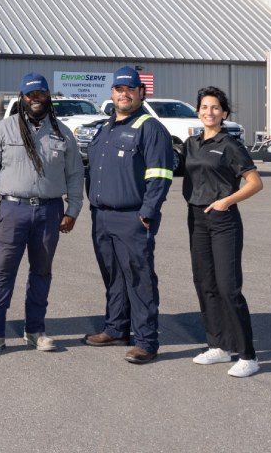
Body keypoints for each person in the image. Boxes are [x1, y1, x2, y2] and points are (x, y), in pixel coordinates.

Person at [0, 72, 84, 357]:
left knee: (41, 273)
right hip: (12, 210)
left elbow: (75, 173)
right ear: (21, 98)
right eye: (30, 95)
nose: (36, 99)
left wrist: (73, 209)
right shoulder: (5, 129)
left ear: (49, 97)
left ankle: (35, 330)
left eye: (41, 94)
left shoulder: (62, 133)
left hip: (49, 211)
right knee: (3, 273)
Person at [84, 66, 173, 364]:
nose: (124, 94)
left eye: (130, 89)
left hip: (133, 217)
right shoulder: (106, 128)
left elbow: (160, 175)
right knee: (114, 277)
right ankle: (116, 328)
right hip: (102, 216)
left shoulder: (150, 128)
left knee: (139, 279)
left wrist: (148, 211)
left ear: (141, 93)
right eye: (119, 89)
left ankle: (146, 341)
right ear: (112, 94)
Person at [182, 86, 263, 378]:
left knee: (229, 288)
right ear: (198, 111)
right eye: (204, 107)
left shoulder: (229, 145)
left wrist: (226, 201)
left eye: (215, 108)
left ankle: (248, 356)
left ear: (224, 113)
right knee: (205, 284)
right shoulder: (190, 143)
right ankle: (218, 346)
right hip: (196, 218)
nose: (209, 112)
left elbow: (255, 182)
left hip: (223, 219)